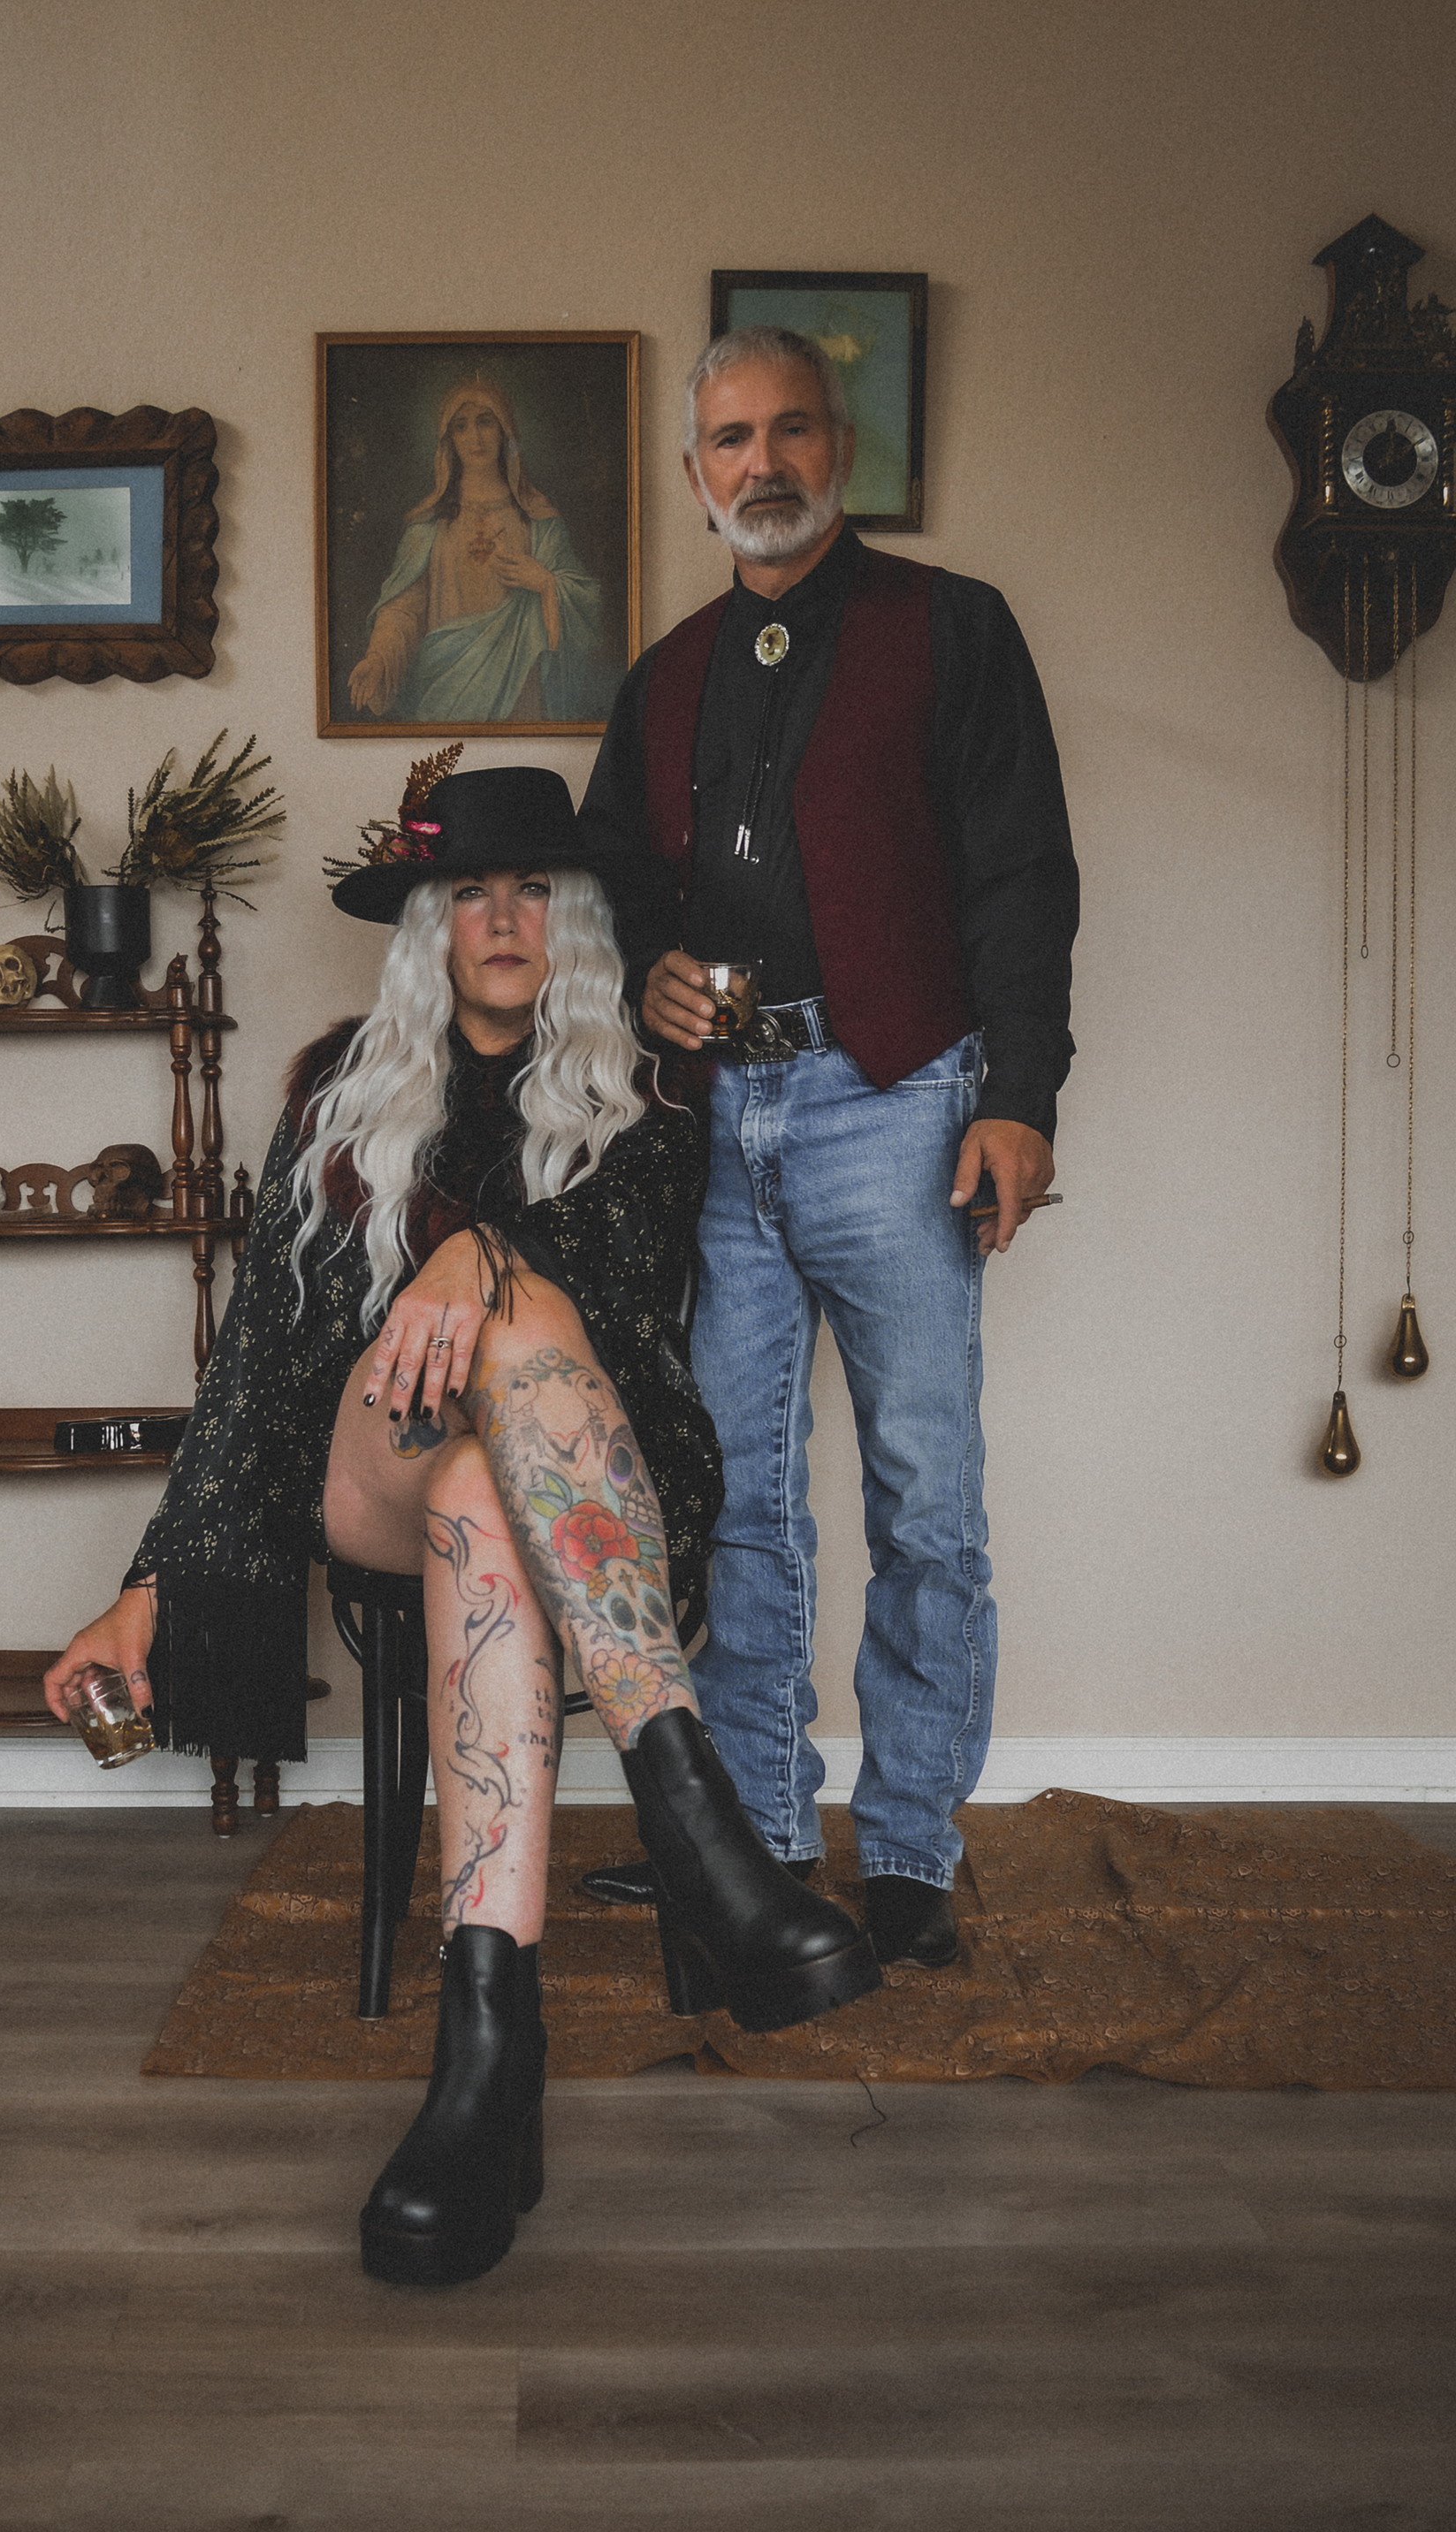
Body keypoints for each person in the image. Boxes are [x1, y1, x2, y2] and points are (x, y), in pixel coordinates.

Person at [44, 763, 880, 2287]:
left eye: (536, 889)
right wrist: (151, 1583)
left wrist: (481, 1256)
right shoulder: (339, 1091)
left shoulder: (644, 1087)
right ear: (431, 924)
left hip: (589, 1478)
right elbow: (262, 1353)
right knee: (480, 1350)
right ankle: (701, 1834)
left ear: (578, 919)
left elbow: (615, 1288)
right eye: (471, 892)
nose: (504, 916)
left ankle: (488, 2052)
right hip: (376, 1456)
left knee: (490, 1467)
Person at [576, 326, 1079, 1971]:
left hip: (905, 1095)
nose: (763, 463)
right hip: (720, 1122)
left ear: (837, 453)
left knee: (926, 1494)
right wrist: (647, 972)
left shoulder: (952, 627)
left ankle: (913, 1851)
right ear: (695, 473)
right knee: (739, 1500)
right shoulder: (665, 677)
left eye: (791, 430)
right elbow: (614, 884)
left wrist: (1020, 1093)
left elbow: (1022, 870)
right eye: (732, 438)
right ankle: (770, 1844)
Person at [345, 378, 604, 725]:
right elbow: (403, 609)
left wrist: (546, 584)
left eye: (486, 422)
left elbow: (586, 606)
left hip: (520, 698)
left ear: (504, 430)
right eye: (461, 426)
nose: (475, 437)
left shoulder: (539, 521)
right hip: (446, 698)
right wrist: (378, 659)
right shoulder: (428, 525)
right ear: (449, 439)